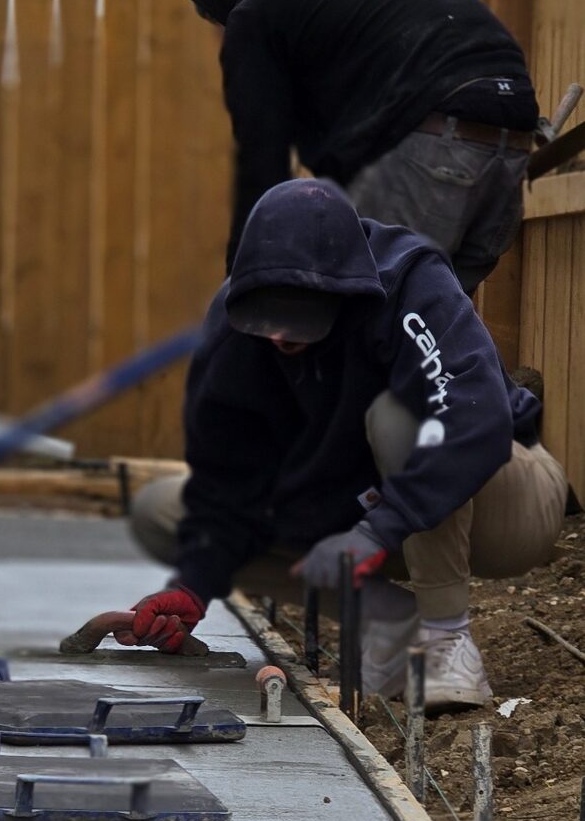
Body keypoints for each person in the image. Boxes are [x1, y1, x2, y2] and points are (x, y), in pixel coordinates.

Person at [117, 179, 567, 711]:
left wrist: (378, 529)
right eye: (272, 317)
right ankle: (393, 621)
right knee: (161, 509)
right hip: (367, 513)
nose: (282, 336)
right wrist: (194, 586)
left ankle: (449, 641)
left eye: (302, 316)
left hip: (505, 505)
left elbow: (475, 417)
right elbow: (227, 476)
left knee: (400, 417)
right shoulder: (234, 327)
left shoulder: (406, 282)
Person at [181, 0, 540, 293]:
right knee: (431, 329)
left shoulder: (254, 12)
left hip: (435, 146)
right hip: (512, 140)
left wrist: (245, 279)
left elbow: (260, 164)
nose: (217, 39)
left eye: (213, 22)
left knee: (359, 316)